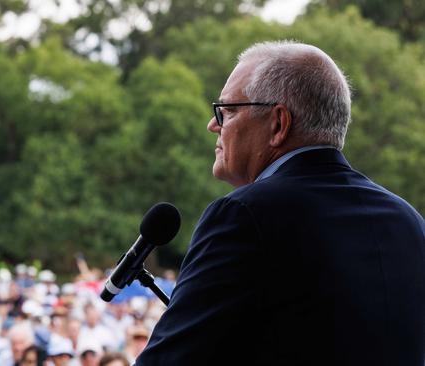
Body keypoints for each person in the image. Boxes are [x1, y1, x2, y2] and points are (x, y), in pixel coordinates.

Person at [136, 41, 425, 365]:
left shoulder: (245, 216)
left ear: (278, 123)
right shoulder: (409, 221)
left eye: (227, 111)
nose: (213, 125)